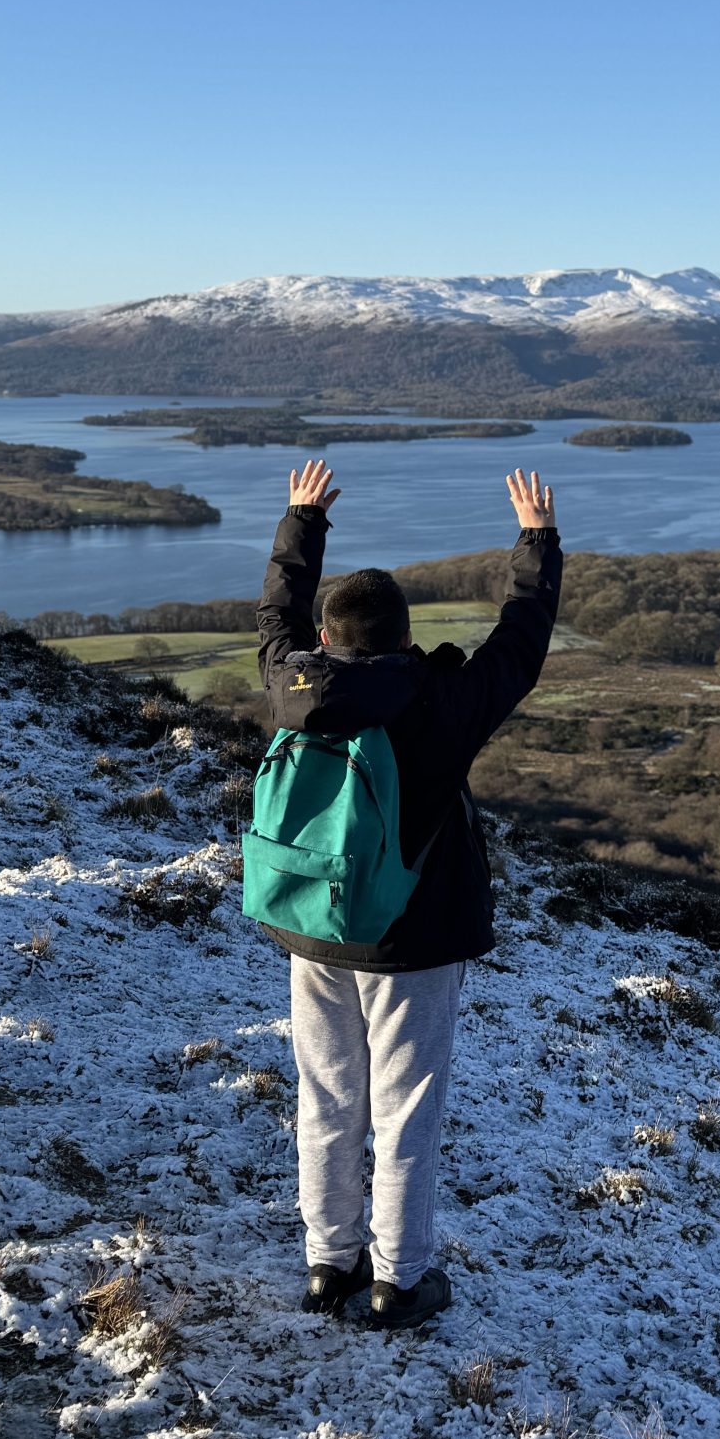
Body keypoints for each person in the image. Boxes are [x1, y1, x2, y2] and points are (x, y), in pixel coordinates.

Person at [253, 457, 563, 1328]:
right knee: (405, 1111)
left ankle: (328, 1264)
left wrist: (300, 524)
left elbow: (275, 614)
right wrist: (536, 541)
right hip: (412, 941)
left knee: (327, 1099)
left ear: (329, 636)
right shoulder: (442, 702)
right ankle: (398, 1278)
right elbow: (522, 643)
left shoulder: (293, 686)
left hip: (313, 927)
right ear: (401, 633)